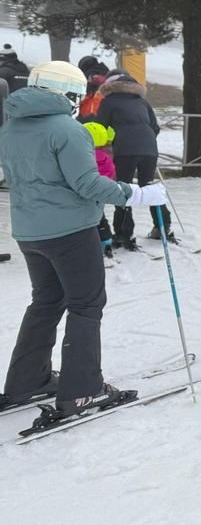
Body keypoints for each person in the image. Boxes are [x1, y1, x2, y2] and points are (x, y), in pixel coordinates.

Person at [0, 61, 168, 420]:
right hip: (71, 231)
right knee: (86, 304)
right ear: (68, 93)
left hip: (30, 232)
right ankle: (81, 391)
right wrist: (136, 194)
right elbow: (88, 184)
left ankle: (27, 380)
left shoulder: (12, 126)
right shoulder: (68, 130)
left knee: (46, 301)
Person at [97, 71, 171, 247]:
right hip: (149, 148)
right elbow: (155, 127)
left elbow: (100, 128)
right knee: (149, 187)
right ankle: (162, 226)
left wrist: (109, 142)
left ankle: (124, 233)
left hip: (125, 149)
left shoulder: (108, 101)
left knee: (123, 189)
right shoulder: (142, 101)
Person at [82, 121, 117, 262]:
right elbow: (111, 173)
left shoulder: (85, 156)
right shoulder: (106, 156)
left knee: (88, 219)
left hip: (87, 193)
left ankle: (90, 245)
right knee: (100, 217)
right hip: (102, 192)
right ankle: (106, 242)